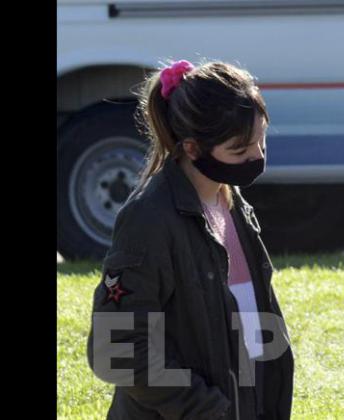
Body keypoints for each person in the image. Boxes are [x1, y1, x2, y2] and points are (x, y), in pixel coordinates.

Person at [87, 60, 294, 420]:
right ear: (193, 148)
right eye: (240, 149)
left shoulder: (232, 201)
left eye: (261, 141)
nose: (257, 157)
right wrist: (204, 409)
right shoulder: (148, 218)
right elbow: (117, 349)